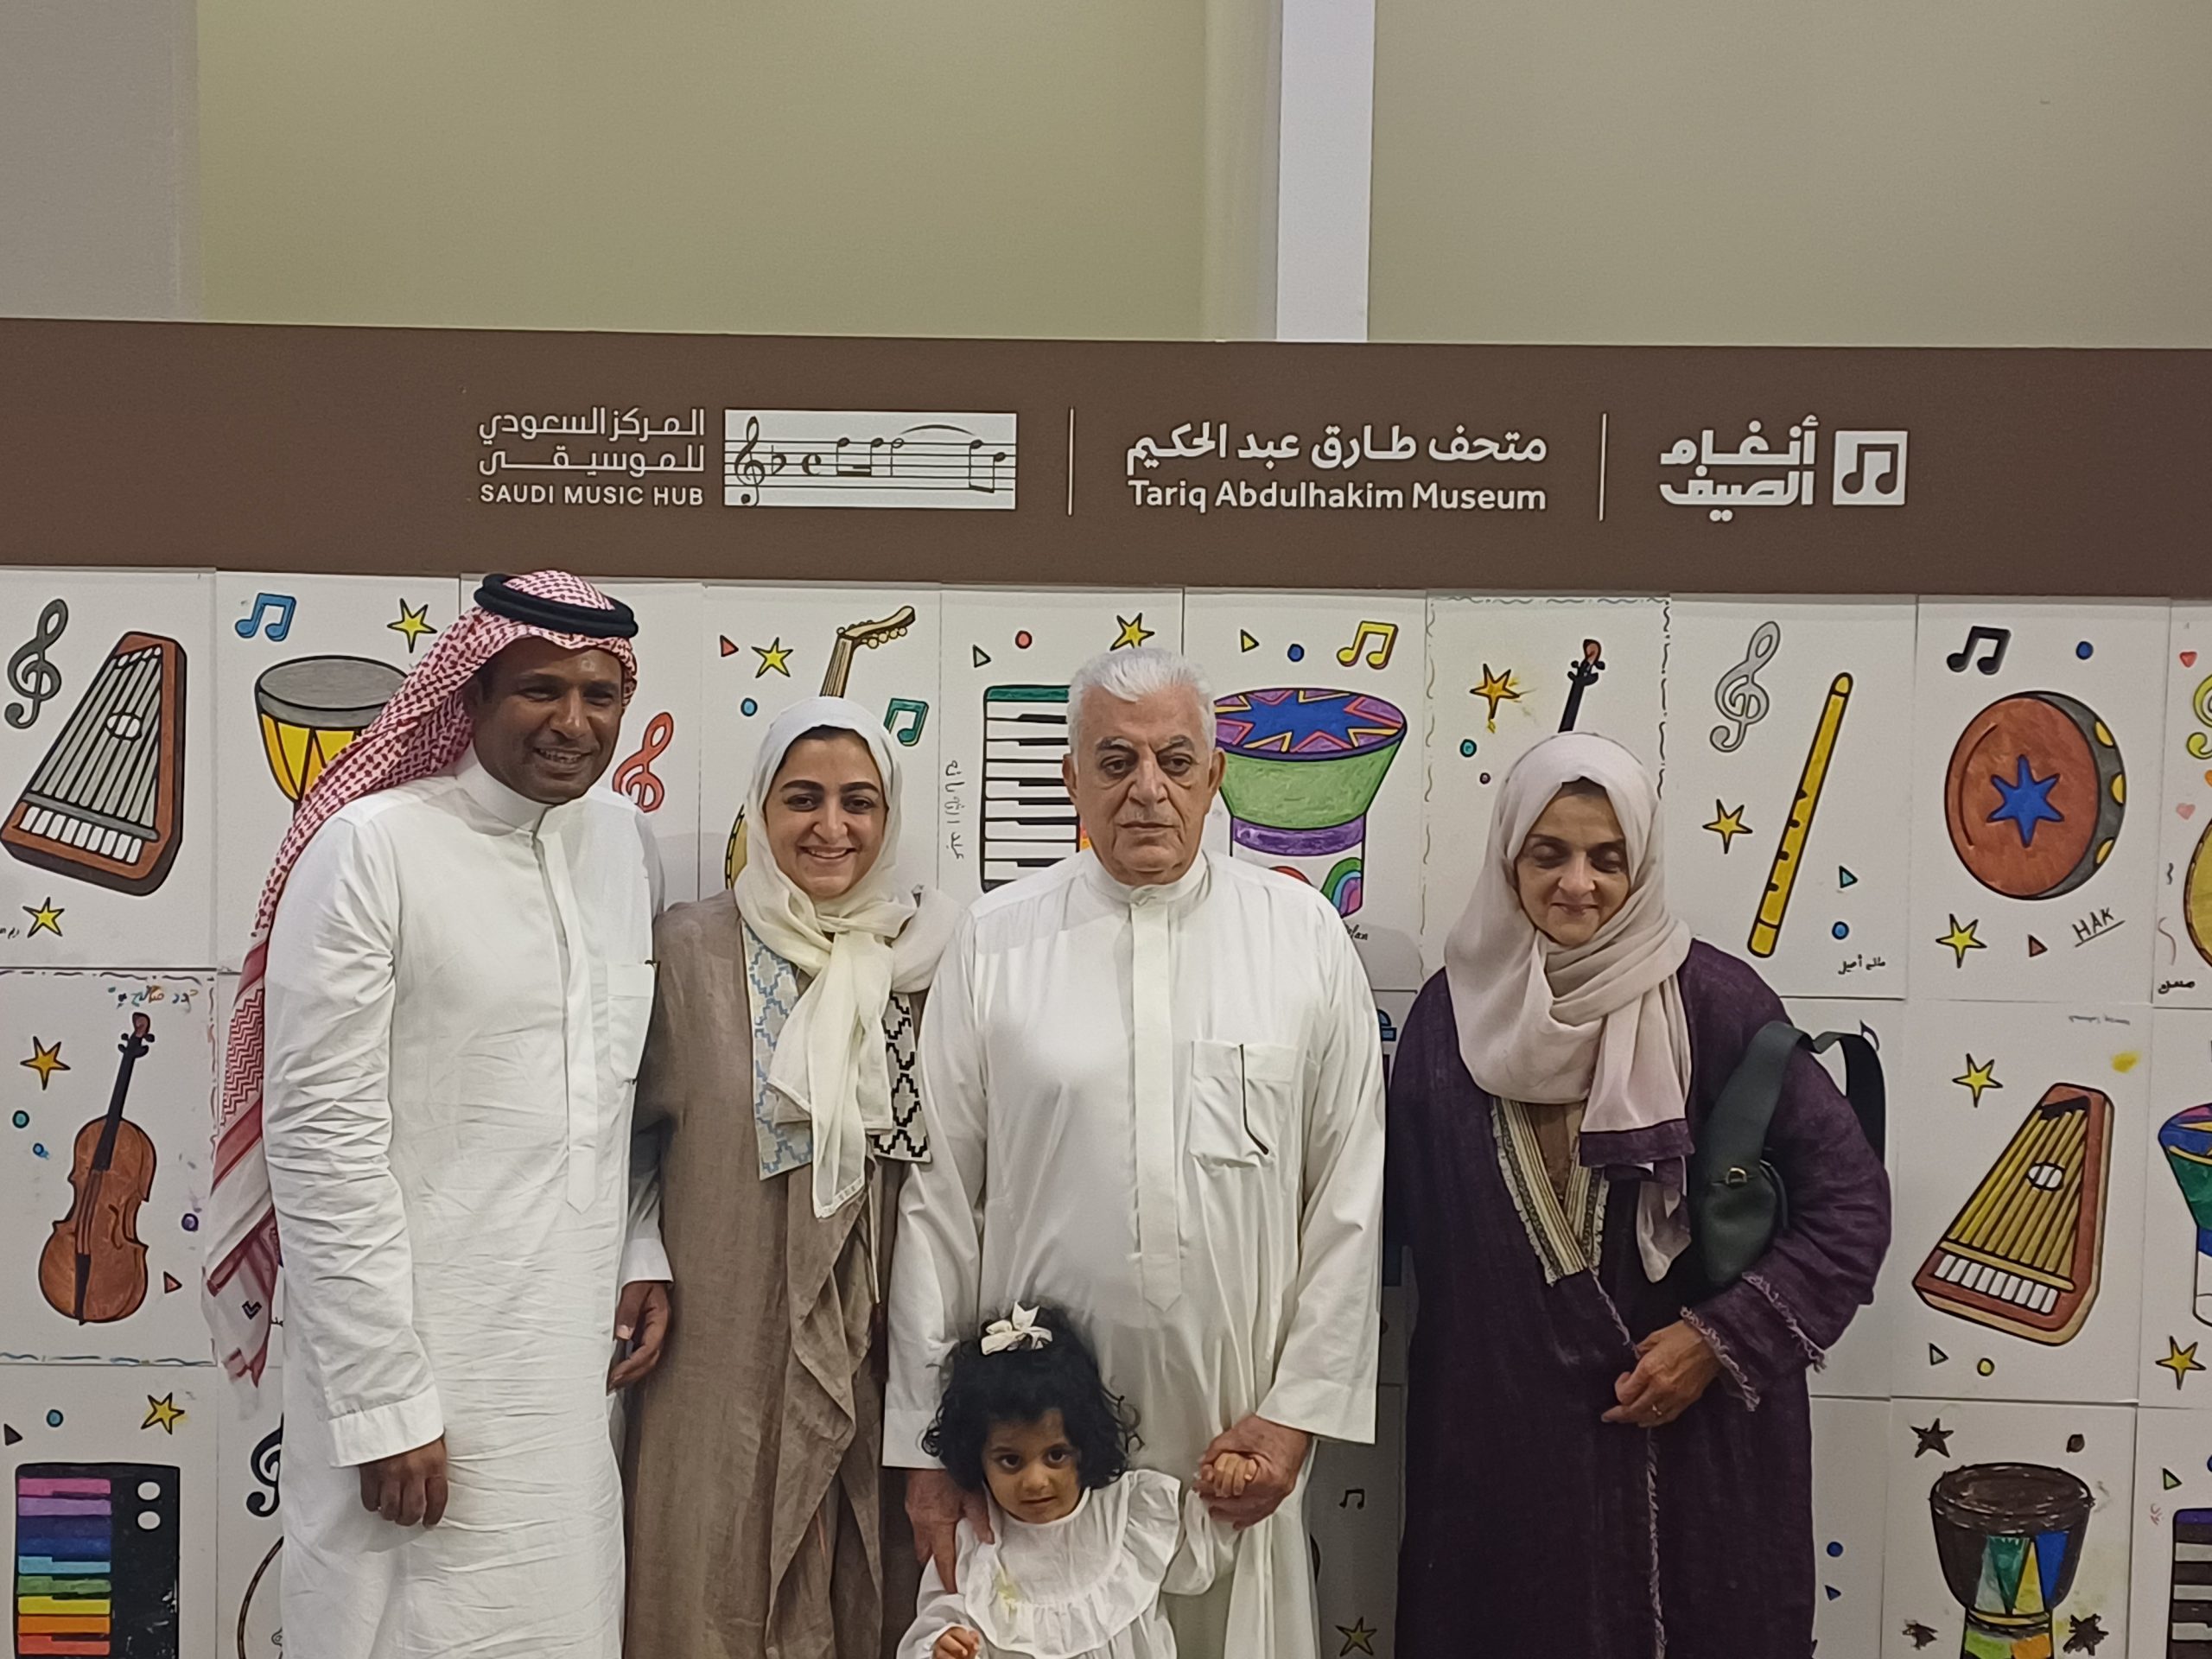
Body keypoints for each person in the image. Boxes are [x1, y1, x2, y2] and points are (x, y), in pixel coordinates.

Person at [201, 571, 674, 1659]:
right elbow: (320, 1144)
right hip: (418, 1366)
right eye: (539, 689)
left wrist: (640, 1247)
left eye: (599, 695)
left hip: (564, 1373)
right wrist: (381, 1402)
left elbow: (619, 1100)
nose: (572, 722)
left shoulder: (622, 846)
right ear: (470, 694)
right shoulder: (373, 848)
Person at [887, 646, 1385, 1659]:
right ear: (1071, 779)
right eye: (1115, 762)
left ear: (1216, 776)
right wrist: (927, 1447)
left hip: (1236, 1435)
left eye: (1175, 760)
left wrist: (1294, 1417)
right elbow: (939, 1208)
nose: (1147, 789)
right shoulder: (997, 941)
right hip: (1040, 1454)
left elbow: (1348, 1195)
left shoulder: (1299, 936)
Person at [1387, 732, 1891, 1659]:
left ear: (1642, 865)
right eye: (1548, 854)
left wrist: (1716, 1340)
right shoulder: (1444, 1022)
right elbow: (1384, 1221)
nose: (1576, 884)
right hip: (1501, 1473)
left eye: (1606, 859)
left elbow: (1850, 1207)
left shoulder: (1715, 1006)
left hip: (1693, 1465)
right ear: (1508, 859)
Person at [625, 696, 960, 1659]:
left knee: (878, 1577)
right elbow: (620, 1144)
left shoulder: (936, 961)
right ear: (760, 811)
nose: (831, 827)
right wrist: (639, 1255)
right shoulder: (687, 950)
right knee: (711, 1576)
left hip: (886, 1344)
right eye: (802, 799)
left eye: (859, 802)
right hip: (721, 1341)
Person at [897, 1303, 1245, 1659]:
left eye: (1056, 1455)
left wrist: (1227, 1483)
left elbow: (1200, 1562)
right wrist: (943, 1645)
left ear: (1084, 1444)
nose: (1035, 1481)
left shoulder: (1129, 1516)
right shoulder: (973, 1543)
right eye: (1011, 1461)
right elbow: (937, 1622)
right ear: (976, 1456)